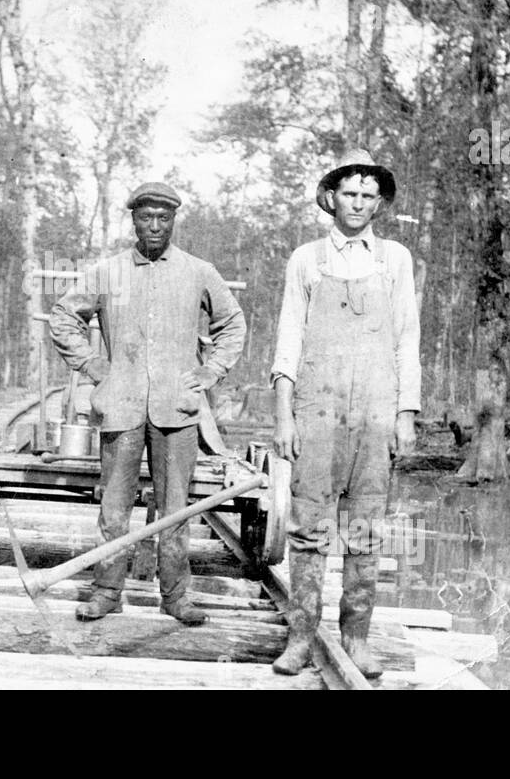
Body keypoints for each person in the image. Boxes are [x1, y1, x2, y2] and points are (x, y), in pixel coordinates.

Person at [50, 182, 247, 626]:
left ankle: (176, 595)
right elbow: (64, 317)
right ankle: (106, 591)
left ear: (173, 220)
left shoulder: (198, 272)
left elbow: (232, 323)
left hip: (176, 412)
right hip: (120, 407)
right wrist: (93, 365)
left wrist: (210, 372)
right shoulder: (108, 272)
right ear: (133, 219)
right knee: (114, 509)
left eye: (163, 218)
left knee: (176, 509)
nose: (154, 226)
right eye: (146, 217)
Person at [269, 148, 420, 678]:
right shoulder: (306, 259)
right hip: (317, 410)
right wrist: (284, 414)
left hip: (376, 413)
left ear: (379, 203)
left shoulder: (395, 260)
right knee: (309, 529)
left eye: (368, 195)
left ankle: (356, 636)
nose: (357, 204)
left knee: (365, 530)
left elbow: (407, 339)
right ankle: (300, 637)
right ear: (331, 197)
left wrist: (406, 412)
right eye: (349, 193)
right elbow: (289, 335)